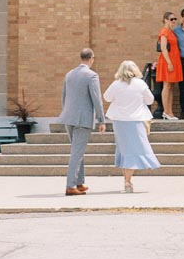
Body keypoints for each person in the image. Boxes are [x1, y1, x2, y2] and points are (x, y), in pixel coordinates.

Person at [103, 60, 160, 193]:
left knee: (124, 149)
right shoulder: (140, 84)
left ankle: (126, 180)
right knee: (133, 150)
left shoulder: (116, 84)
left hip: (119, 121)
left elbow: (107, 97)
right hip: (136, 120)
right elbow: (150, 100)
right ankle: (127, 181)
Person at [56, 46, 105, 197]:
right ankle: (70, 186)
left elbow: (64, 96)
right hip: (82, 119)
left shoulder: (69, 74)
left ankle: (79, 182)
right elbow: (97, 99)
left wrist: (66, 112)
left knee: (78, 151)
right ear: (91, 59)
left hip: (68, 117)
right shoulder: (91, 76)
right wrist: (101, 120)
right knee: (77, 152)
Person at [156, 10, 182, 119]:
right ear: (166, 20)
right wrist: (169, 63)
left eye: (175, 19)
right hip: (168, 61)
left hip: (174, 60)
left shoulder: (172, 32)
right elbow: (163, 48)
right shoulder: (164, 32)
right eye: (171, 19)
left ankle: (170, 111)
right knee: (166, 85)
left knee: (171, 86)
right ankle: (166, 111)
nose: (174, 21)